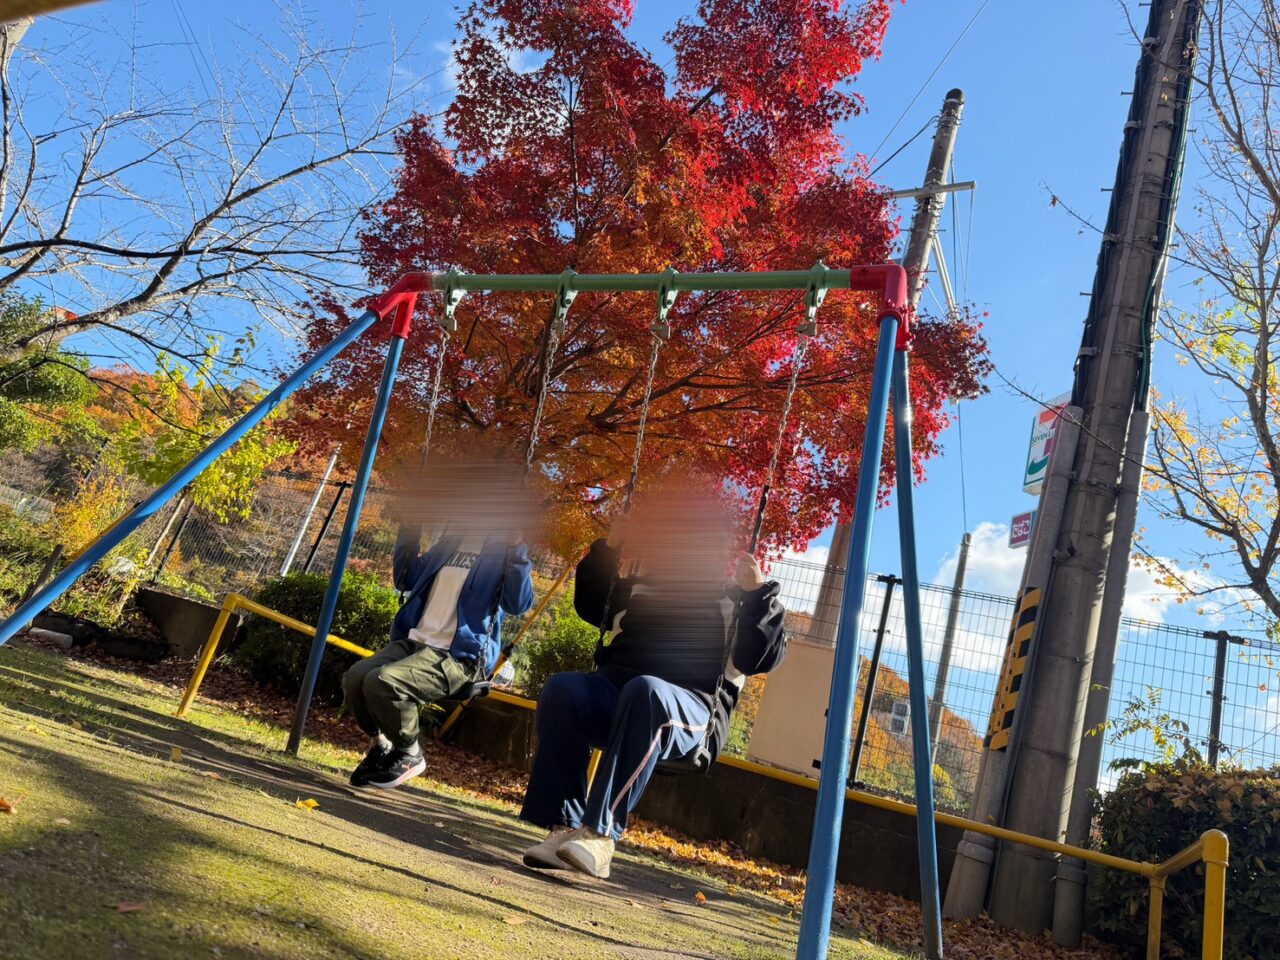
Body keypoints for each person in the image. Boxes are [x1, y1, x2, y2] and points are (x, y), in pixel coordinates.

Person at [517, 496, 787, 879]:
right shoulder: (645, 588)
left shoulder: (738, 601)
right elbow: (593, 602)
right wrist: (609, 549)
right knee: (564, 690)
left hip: (692, 709)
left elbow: (759, 659)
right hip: (619, 695)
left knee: (647, 692)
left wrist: (759, 596)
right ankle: (563, 827)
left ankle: (601, 835)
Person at [342, 517, 535, 790]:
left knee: (383, 681)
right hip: (414, 642)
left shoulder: (502, 552)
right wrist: (409, 526)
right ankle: (381, 745)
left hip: (457, 657)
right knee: (356, 677)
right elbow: (406, 578)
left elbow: (518, 604)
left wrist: (517, 548)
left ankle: (410, 753)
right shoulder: (449, 543)